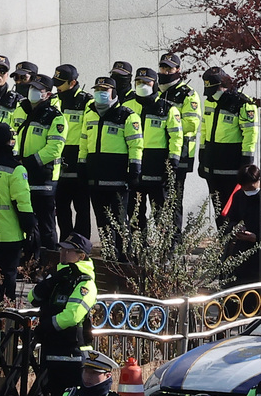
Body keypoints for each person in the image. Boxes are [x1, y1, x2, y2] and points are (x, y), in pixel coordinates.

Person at [28, 233, 97, 396]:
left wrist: (46, 326)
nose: (62, 253)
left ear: (81, 256)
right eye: (62, 249)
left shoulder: (85, 282)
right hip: (52, 353)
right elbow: (32, 298)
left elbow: (72, 315)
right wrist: (50, 282)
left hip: (73, 357)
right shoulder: (58, 277)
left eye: (68, 251)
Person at [81, 76, 142, 250]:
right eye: (97, 90)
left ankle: (125, 259)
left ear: (113, 92)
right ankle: (109, 256)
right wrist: (81, 165)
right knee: (102, 222)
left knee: (119, 221)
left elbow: (136, 145)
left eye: (104, 90)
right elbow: (84, 143)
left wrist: (135, 169)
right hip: (95, 178)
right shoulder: (90, 114)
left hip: (117, 179)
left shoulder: (127, 116)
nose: (100, 94)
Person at [11, 74, 67, 252]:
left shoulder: (55, 118)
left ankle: (49, 264)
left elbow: (54, 149)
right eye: (31, 87)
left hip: (44, 178)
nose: (32, 91)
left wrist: (28, 162)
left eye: (38, 89)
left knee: (46, 225)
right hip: (22, 176)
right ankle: (30, 263)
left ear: (48, 95)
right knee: (26, 223)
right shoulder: (22, 110)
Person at [197, 67, 256, 224]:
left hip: (232, 167)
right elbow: (204, 130)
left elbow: (250, 135)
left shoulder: (242, 103)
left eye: (214, 90)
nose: (211, 95)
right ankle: (222, 243)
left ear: (224, 85)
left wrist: (247, 162)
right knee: (218, 210)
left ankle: (234, 244)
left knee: (233, 209)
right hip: (212, 165)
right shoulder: (210, 101)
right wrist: (202, 157)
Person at [0, 123, 36, 300]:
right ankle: (4, 319)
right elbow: (23, 203)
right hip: (9, 234)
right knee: (7, 279)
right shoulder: (16, 169)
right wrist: (31, 229)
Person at [129, 69, 182, 228]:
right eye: (138, 82)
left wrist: (173, 161)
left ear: (155, 84)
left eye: (146, 82)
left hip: (158, 170)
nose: (141, 85)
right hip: (134, 168)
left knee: (161, 214)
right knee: (135, 214)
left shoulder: (167, 109)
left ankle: (165, 250)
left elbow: (176, 137)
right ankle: (139, 249)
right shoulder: (127, 106)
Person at [158, 53, 201, 228]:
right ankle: (163, 239)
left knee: (174, 198)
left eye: (170, 68)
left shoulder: (187, 94)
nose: (166, 71)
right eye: (163, 67)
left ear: (178, 70)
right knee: (160, 198)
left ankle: (174, 241)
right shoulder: (156, 91)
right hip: (158, 150)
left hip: (180, 154)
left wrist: (164, 125)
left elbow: (191, 124)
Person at [53, 64, 94, 239]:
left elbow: (88, 132)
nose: (57, 87)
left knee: (81, 207)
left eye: (60, 83)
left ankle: (81, 243)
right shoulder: (54, 100)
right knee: (61, 207)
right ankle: (65, 242)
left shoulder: (86, 101)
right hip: (57, 161)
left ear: (72, 82)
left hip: (78, 161)